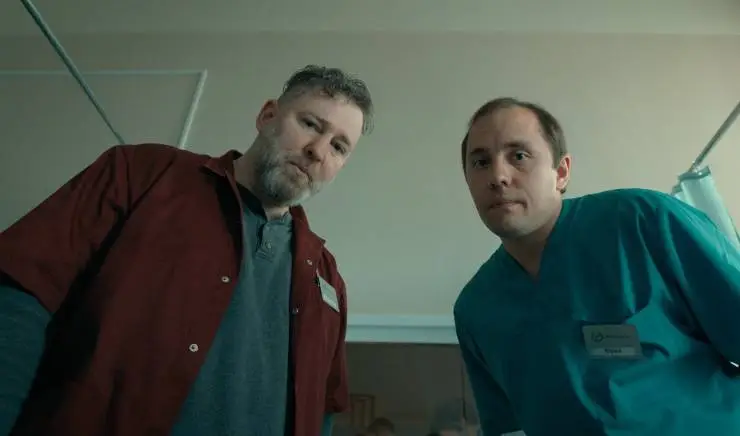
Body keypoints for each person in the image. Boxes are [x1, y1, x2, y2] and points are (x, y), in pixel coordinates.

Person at [0, 64, 374, 436]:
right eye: (310, 124)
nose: (317, 151)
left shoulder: (328, 279)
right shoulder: (141, 175)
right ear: (267, 116)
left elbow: (324, 406)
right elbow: (23, 290)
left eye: (338, 147)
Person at [453, 97, 740, 435]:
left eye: (519, 156)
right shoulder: (477, 309)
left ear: (561, 172)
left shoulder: (643, 222)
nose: (498, 176)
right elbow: (508, 427)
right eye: (481, 162)